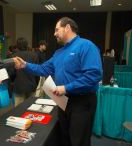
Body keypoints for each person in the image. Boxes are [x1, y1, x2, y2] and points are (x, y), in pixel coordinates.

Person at [17, 17, 102, 146]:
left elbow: (93, 75)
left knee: (79, 141)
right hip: (63, 102)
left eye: (57, 30)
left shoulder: (86, 46)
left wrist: (66, 88)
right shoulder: (58, 52)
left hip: (82, 103)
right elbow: (44, 69)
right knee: (64, 138)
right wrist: (25, 65)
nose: (54, 33)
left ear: (67, 27)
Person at [12, 37, 39, 106]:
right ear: (27, 45)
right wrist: (36, 83)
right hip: (31, 85)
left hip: (19, 86)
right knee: (31, 109)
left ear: (17, 46)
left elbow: (12, 73)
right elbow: (37, 72)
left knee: (18, 110)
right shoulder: (34, 55)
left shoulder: (14, 57)